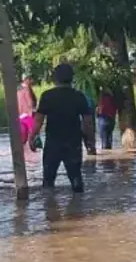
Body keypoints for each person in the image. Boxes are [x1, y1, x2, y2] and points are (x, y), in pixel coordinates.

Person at [30, 63, 96, 193]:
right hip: (73, 143)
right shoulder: (79, 96)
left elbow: (38, 120)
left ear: (55, 78)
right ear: (72, 78)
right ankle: (79, 208)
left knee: (48, 180)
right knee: (76, 178)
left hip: (53, 143)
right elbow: (87, 123)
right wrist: (90, 142)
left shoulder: (47, 96)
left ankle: (49, 208)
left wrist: (32, 136)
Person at [16, 75, 39, 150]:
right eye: (30, 79)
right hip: (28, 115)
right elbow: (31, 102)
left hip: (20, 116)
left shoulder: (18, 89)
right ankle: (34, 152)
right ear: (26, 80)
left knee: (23, 139)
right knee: (33, 135)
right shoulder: (27, 89)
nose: (32, 81)